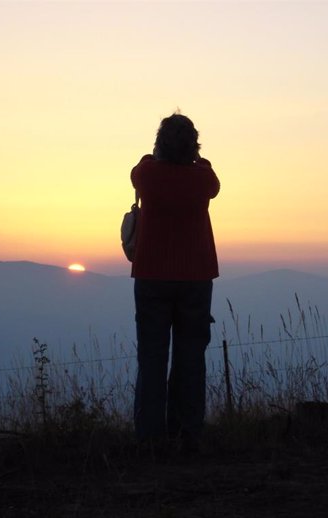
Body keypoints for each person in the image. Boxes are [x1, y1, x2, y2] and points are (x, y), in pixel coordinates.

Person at [130, 113, 220, 454]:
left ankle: (150, 438)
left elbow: (138, 168)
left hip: (152, 273)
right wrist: (197, 159)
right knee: (191, 356)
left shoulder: (148, 175)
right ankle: (188, 434)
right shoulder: (203, 178)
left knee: (151, 358)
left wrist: (155, 153)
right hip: (196, 275)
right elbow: (212, 179)